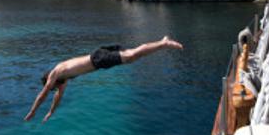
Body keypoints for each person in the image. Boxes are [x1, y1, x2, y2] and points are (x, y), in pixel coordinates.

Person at [24, 36, 184, 123]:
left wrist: (33, 111)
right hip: (98, 56)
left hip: (98, 59)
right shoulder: (62, 77)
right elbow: (58, 96)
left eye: (52, 87)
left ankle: (164, 43)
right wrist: (51, 112)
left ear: (49, 81)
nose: (55, 89)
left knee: (133, 56)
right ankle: (162, 41)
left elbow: (43, 95)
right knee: (132, 54)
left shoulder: (55, 73)